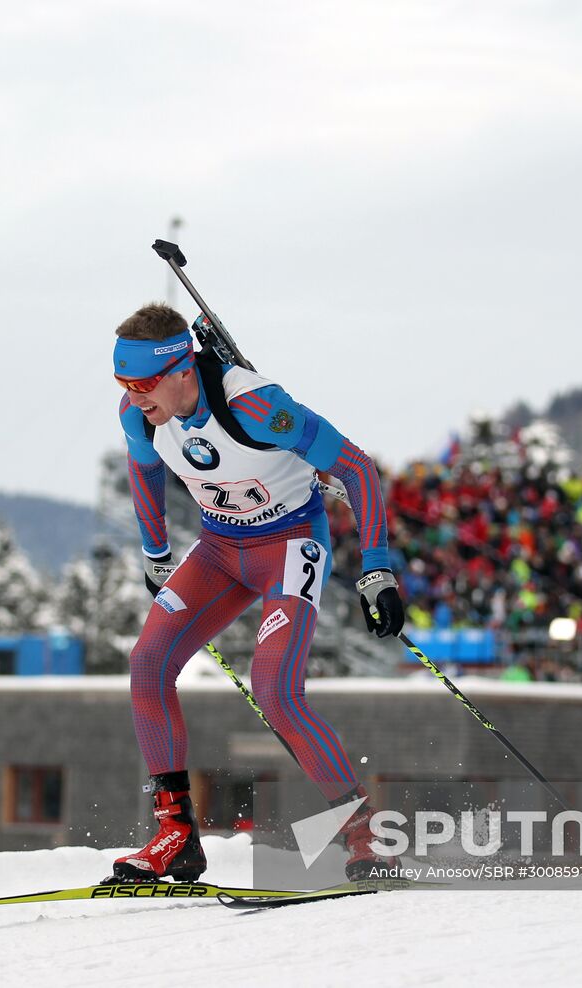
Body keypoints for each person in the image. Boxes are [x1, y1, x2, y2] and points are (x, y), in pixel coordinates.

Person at [106, 303, 406, 884]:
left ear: (181, 370)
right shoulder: (140, 416)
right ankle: (176, 835)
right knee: (147, 664)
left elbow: (357, 469)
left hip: (290, 545)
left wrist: (376, 571)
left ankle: (368, 838)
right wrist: (155, 553)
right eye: (122, 382)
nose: (132, 396)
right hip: (219, 549)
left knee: (274, 689)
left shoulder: (255, 406)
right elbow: (144, 470)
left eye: (141, 384)